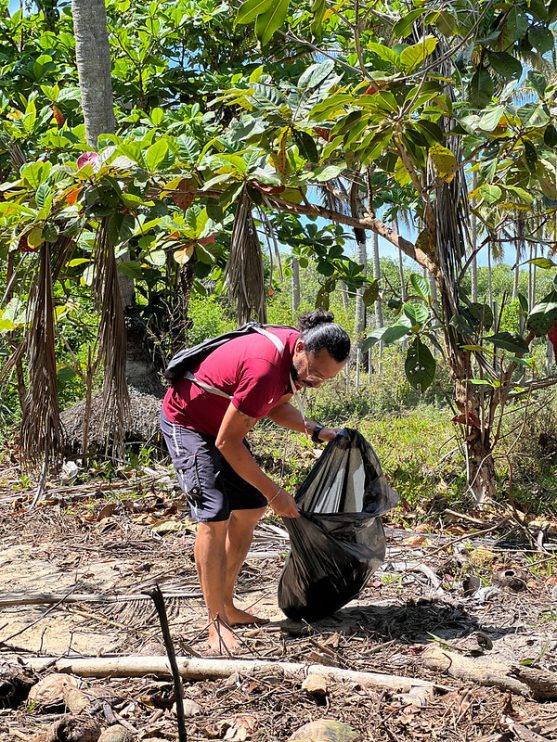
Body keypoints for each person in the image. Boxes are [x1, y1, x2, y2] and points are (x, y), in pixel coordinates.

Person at [160, 310, 351, 653]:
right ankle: (215, 623)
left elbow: (276, 407)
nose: (317, 382)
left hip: (222, 427)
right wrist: (276, 492)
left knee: (250, 508)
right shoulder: (265, 366)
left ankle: (227, 606)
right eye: (316, 373)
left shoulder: (293, 363)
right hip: (188, 422)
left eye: (326, 379)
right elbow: (226, 444)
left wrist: (314, 430)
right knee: (214, 517)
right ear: (301, 347)